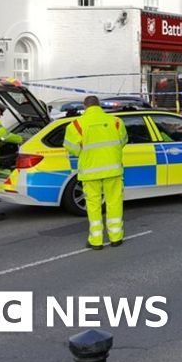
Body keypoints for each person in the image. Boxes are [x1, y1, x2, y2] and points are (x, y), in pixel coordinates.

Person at [63, 95, 128, 250]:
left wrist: (85, 153)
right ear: (99, 105)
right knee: (114, 203)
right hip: (113, 170)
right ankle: (116, 237)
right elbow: (123, 141)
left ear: (85, 107)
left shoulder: (76, 125)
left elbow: (70, 147)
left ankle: (96, 241)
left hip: (90, 172)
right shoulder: (116, 122)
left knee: (93, 205)